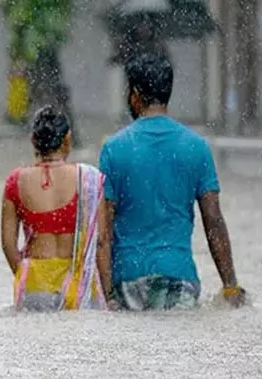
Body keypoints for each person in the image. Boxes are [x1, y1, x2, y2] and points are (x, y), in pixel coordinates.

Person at [99, 52, 247, 310]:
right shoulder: (197, 147)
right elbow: (213, 221)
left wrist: (108, 295)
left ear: (134, 94)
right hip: (179, 277)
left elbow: (104, 233)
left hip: (128, 280)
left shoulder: (113, 149)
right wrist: (230, 285)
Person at [1, 106, 111, 311]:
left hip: (35, 283)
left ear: (33, 140)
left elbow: (8, 245)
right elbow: (102, 242)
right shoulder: (89, 179)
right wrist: (109, 293)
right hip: (78, 284)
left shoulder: (16, 181)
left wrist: (24, 274)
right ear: (67, 139)